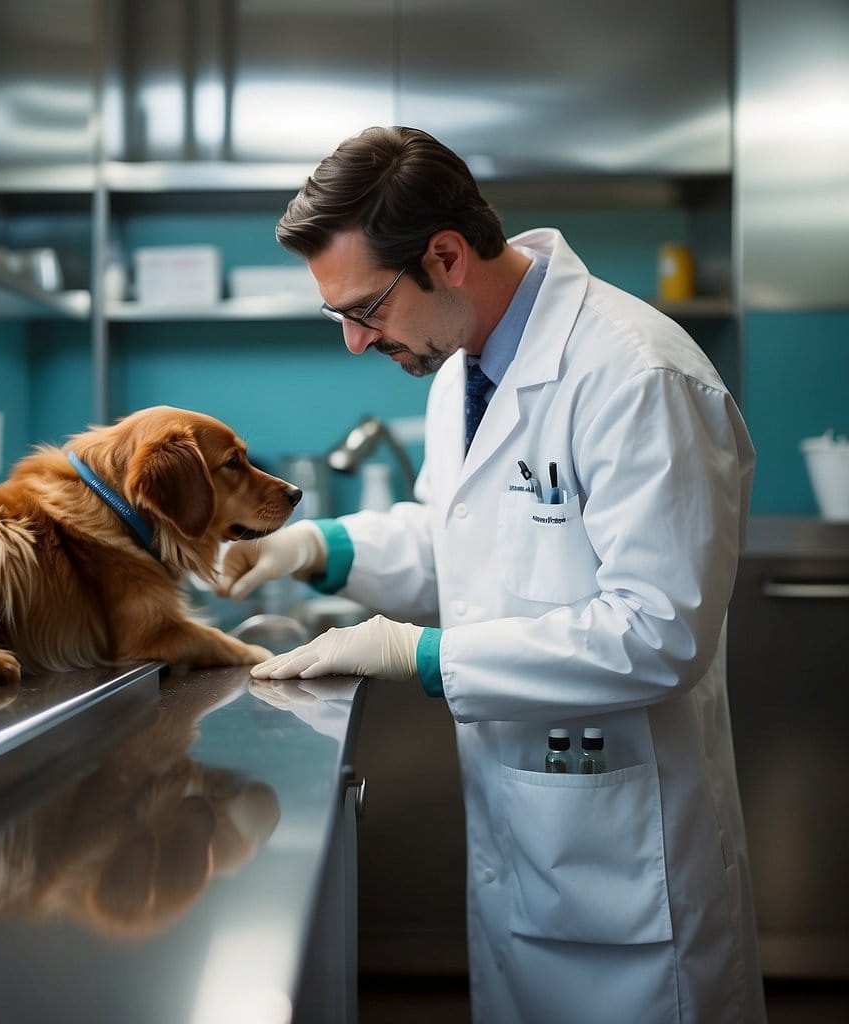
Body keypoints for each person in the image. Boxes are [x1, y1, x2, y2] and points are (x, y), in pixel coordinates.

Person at [215, 126, 765, 1023]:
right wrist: (319, 549)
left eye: (367, 307)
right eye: (339, 316)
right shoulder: (458, 369)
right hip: (524, 843)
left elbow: (657, 632)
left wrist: (423, 654)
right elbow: (456, 541)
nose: (355, 342)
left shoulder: (637, 374)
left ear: (445, 256)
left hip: (631, 866)